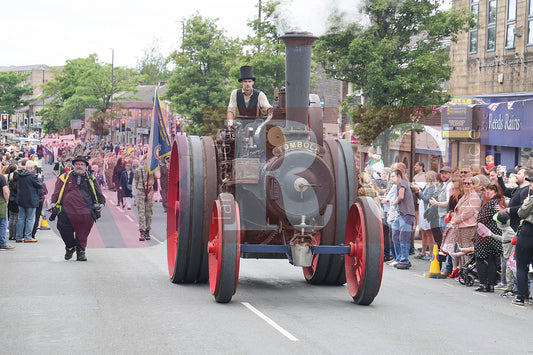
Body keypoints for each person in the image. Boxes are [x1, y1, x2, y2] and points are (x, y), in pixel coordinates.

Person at [50, 156, 105, 261]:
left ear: (85, 167)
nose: (79, 166)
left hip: (86, 211)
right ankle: (70, 247)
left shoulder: (91, 177)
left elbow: (98, 191)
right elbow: (57, 191)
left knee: (83, 233)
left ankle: (81, 252)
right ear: (74, 165)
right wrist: (53, 202)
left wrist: (102, 202)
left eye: (82, 164)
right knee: (63, 229)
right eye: (77, 164)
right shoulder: (64, 176)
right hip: (67, 211)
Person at [473, 183, 505, 293]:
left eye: (491, 190)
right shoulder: (495, 203)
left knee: (481, 259)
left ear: (496, 193)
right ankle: (490, 285)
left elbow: (485, 219)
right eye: (487, 190)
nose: (488, 192)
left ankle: (484, 284)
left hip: (485, 236)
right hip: (493, 236)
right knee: (492, 261)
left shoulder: (492, 203)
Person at [390, 169, 416, 269]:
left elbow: (401, 197)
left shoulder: (401, 182)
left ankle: (404, 260)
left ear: (398, 176)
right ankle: (400, 258)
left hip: (406, 213)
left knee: (403, 237)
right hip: (400, 214)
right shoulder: (403, 183)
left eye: (392, 176)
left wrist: (394, 202)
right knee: (395, 236)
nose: (391, 179)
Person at [514, 176, 533, 305]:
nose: (530, 183)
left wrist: (526, 202)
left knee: (521, 266)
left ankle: (521, 296)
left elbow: (521, 213)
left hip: (528, 231)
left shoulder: (531, 199)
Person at [134, 156, 161, 241]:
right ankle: (142, 232)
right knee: (141, 212)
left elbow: (158, 176)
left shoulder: (153, 170)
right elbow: (137, 183)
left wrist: (155, 166)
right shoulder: (138, 170)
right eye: (146, 159)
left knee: (148, 214)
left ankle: (147, 231)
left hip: (149, 192)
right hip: (141, 192)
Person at [15, 160, 42, 243]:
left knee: (21, 218)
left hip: (21, 198)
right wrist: (39, 178)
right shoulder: (31, 176)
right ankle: (28, 236)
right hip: (31, 199)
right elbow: (39, 185)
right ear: (31, 168)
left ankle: (18, 236)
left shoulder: (19, 175)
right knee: (30, 219)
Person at [415, 170, 437, 259]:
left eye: (426, 177)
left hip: (427, 211)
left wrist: (419, 191)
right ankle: (423, 252)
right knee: (423, 232)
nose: (425, 178)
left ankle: (431, 253)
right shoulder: (426, 186)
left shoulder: (432, 187)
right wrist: (418, 192)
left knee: (429, 233)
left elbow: (427, 199)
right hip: (422, 211)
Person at [0, 171, 13, 250]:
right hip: (1, 203)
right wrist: (7, 200)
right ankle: (2, 243)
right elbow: (5, 191)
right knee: (3, 223)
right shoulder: (1, 177)